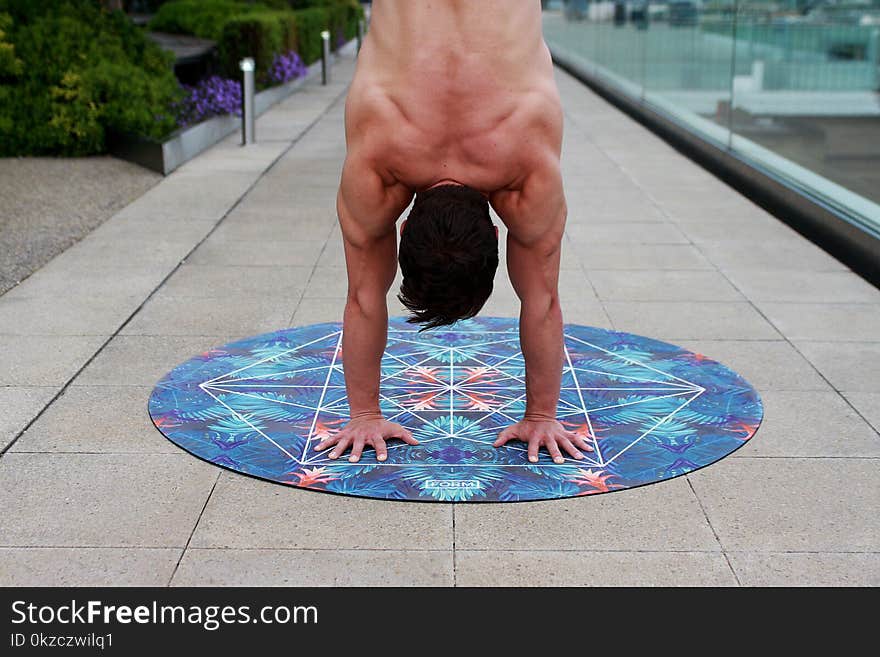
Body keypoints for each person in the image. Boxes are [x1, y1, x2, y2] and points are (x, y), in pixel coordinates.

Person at [315, 0, 593, 465]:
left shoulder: (526, 169)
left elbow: (366, 297)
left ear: (497, 232)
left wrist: (367, 413)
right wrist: (540, 416)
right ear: (403, 229)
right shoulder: (379, 162)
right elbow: (540, 300)